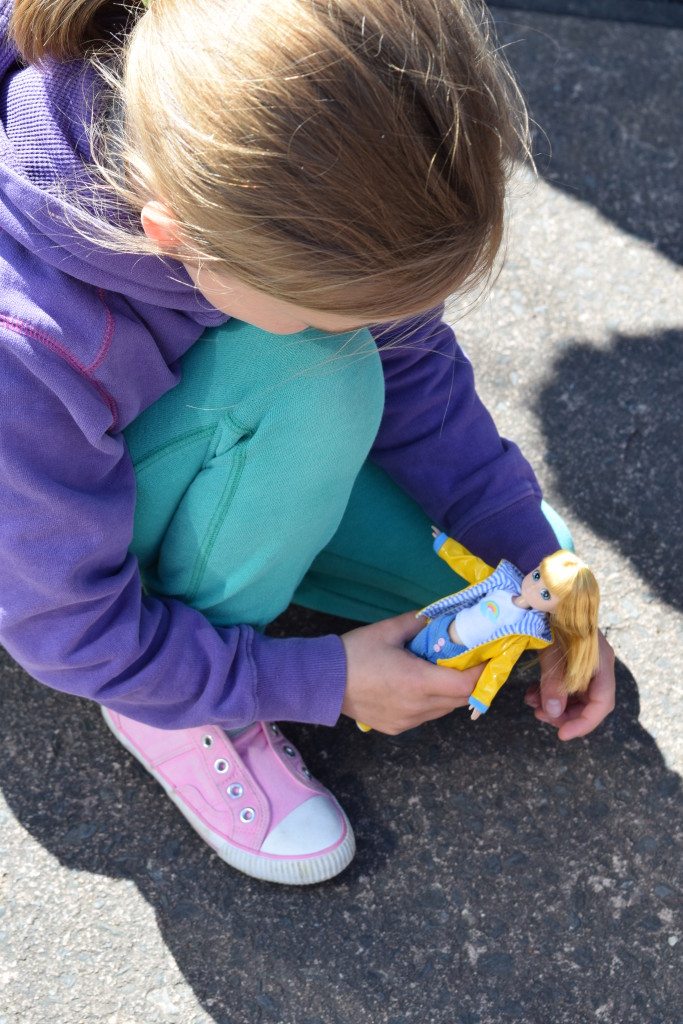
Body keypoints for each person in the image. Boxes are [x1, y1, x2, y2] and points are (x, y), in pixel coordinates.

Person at [0, 0, 615, 885]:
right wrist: (312, 680)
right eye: (332, 311)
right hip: (42, 549)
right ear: (177, 241)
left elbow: (414, 367)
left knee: (492, 601)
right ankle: (171, 710)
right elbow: (70, 628)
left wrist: (519, 536)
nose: (379, 330)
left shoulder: (283, 149)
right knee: (325, 377)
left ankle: (257, 526)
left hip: (148, 425)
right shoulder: (32, 341)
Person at [406, 532, 600, 719]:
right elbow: (471, 566)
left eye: (546, 594)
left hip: (453, 655)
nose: (534, 586)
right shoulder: (502, 582)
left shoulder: (522, 631)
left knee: (409, 684)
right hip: (439, 627)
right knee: (404, 653)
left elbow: (500, 666)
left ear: (559, 611)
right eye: (537, 575)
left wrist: (483, 696)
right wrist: (445, 546)